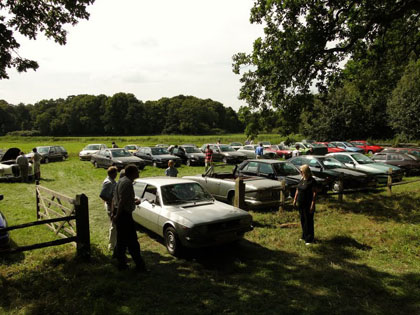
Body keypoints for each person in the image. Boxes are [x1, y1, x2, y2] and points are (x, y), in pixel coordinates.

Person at [113, 165, 147, 272]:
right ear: (132, 173)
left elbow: (117, 198)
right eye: (137, 172)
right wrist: (118, 216)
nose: (139, 174)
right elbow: (122, 201)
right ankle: (140, 267)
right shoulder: (127, 183)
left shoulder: (121, 180)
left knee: (121, 241)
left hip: (119, 213)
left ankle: (121, 264)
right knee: (132, 242)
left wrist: (114, 214)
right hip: (124, 215)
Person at [293, 164, 318, 245]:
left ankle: (310, 239)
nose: (300, 172)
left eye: (301, 171)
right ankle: (304, 235)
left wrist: (312, 204)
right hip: (301, 203)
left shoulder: (312, 181)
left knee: (308, 221)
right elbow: (297, 189)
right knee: (303, 220)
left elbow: (314, 193)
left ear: (305, 171)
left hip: (308, 204)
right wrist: (295, 199)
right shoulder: (302, 179)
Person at [99, 166, 118, 252]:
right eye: (115, 173)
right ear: (112, 173)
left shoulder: (112, 181)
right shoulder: (108, 182)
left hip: (113, 205)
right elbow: (102, 195)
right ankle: (111, 246)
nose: (116, 174)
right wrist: (111, 201)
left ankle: (116, 243)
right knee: (113, 226)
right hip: (111, 206)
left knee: (115, 226)